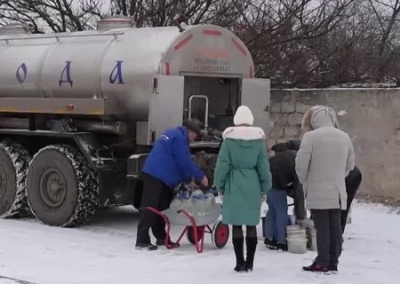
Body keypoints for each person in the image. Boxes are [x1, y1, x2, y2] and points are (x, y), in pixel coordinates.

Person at [295, 106, 355, 273]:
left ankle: (322, 261)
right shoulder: (344, 137)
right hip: (337, 191)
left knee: (321, 228)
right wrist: (338, 176)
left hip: (317, 190)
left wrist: (305, 180)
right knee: (335, 227)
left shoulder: (310, 137)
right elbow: (350, 165)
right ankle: (333, 261)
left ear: (314, 119)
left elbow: (301, 164)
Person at [214, 105, 272, 273]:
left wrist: (220, 184)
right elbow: (263, 166)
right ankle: (250, 263)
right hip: (252, 182)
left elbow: (222, 165)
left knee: (237, 223)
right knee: (252, 223)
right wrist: (264, 187)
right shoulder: (258, 142)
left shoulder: (229, 141)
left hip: (234, 182)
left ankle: (240, 263)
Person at [135, 119, 209, 250]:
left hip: (159, 174)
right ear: (190, 131)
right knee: (150, 206)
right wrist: (200, 177)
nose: (194, 139)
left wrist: (187, 180)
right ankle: (142, 240)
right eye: (195, 136)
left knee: (162, 207)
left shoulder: (173, 133)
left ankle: (162, 238)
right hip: (156, 174)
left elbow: (177, 161)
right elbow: (184, 162)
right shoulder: (180, 138)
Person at [272, 138, 362, 234]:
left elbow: (300, 188)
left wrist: (301, 214)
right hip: (337, 175)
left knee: (339, 207)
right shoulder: (302, 151)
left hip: (349, 177)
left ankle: (335, 235)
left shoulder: (303, 155)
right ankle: (323, 231)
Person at [264, 146, 305, 251]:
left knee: (272, 211)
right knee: (281, 213)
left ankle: (269, 238)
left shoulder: (276, 158)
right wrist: (288, 186)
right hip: (277, 187)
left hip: (267, 185)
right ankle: (281, 241)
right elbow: (288, 179)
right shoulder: (295, 160)